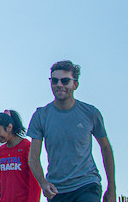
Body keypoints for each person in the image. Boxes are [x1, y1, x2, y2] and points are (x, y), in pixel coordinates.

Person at [28, 61, 116, 202]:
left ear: (75, 84)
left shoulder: (91, 113)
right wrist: (43, 182)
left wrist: (112, 188)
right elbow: (33, 158)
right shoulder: (41, 116)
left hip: (87, 184)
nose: (59, 85)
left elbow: (106, 148)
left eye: (65, 81)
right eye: (55, 81)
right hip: (56, 189)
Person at [0, 110, 39, 202]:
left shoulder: (27, 146)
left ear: (9, 127)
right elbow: (4, 183)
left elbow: (35, 181)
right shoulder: (2, 150)